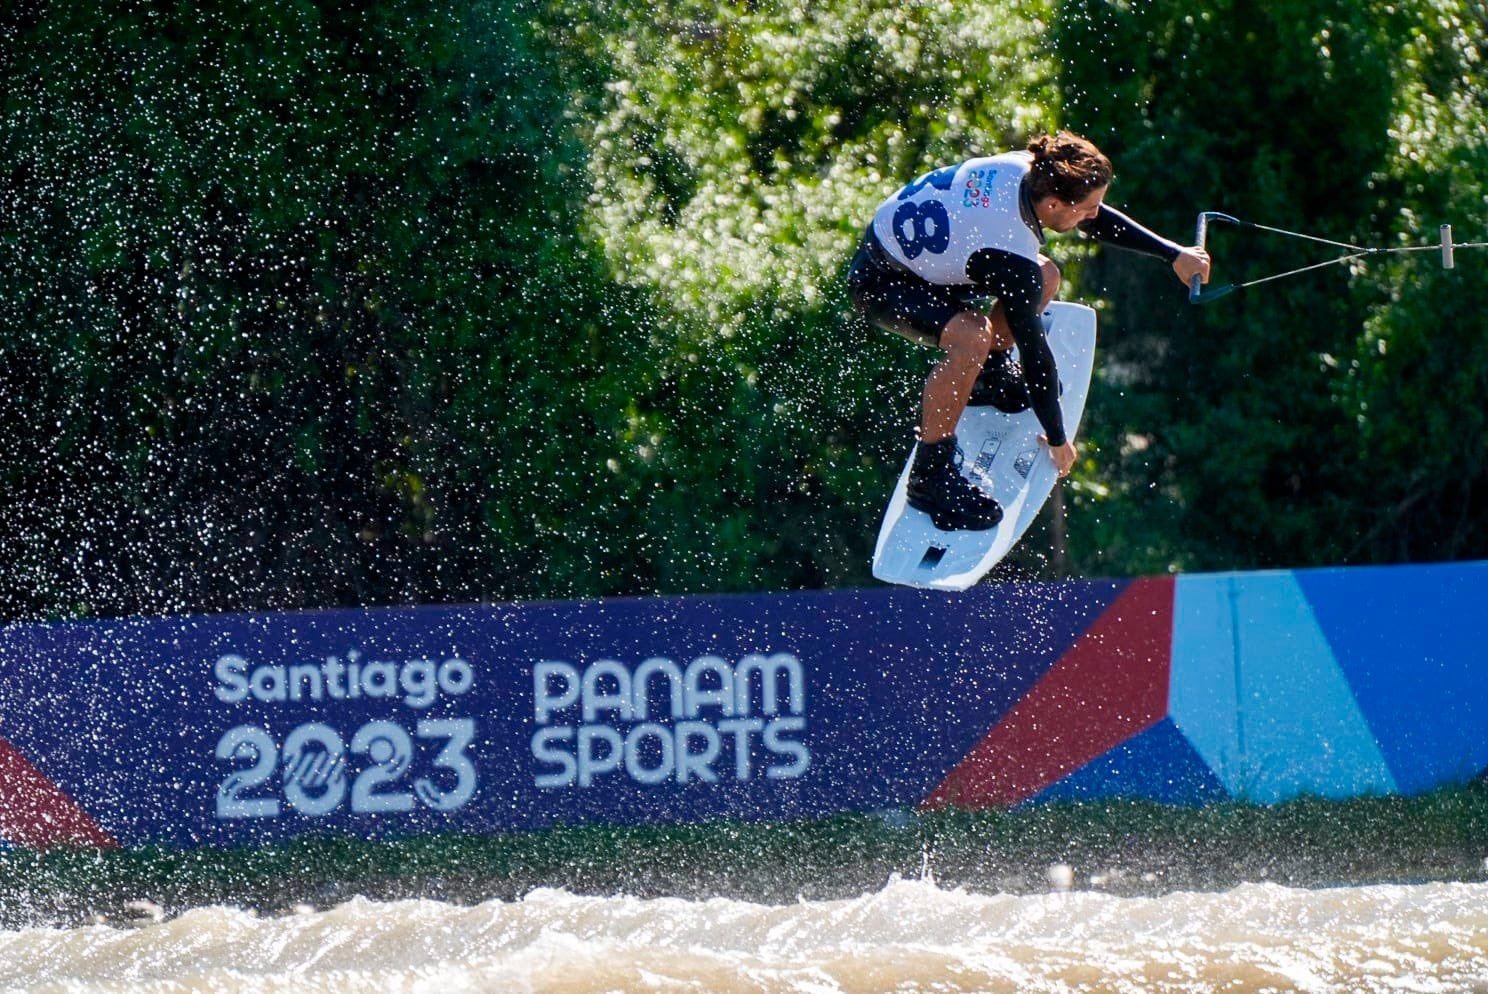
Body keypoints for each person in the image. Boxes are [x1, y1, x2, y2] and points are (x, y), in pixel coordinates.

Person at [848, 131, 1211, 531]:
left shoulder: (1036, 168)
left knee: (1046, 275)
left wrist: (1172, 254)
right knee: (972, 335)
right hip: (884, 280)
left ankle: (989, 376)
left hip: (931, 256)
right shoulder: (1010, 251)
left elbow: (1093, 220)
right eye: (1087, 208)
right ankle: (929, 477)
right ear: (1053, 204)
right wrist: (1057, 438)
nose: (1093, 215)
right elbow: (1036, 355)